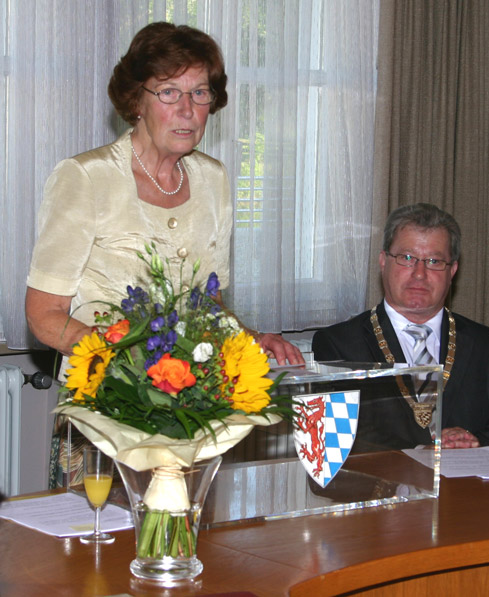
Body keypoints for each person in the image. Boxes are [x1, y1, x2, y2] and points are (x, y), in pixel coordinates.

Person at [25, 22, 302, 485]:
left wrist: (252, 339)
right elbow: (44, 314)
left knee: (186, 542)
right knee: (98, 550)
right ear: (137, 100)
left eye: (200, 93)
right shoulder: (85, 178)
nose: (188, 110)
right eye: (170, 92)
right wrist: (128, 364)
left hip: (193, 410)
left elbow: (204, 305)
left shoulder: (214, 180)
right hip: (105, 411)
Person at [312, 203, 489, 449]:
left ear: (452, 270)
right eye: (407, 258)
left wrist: (473, 443)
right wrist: (424, 450)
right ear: (383, 261)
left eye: (434, 261)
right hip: (382, 486)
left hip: (466, 485)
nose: (419, 273)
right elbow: (330, 438)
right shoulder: (337, 345)